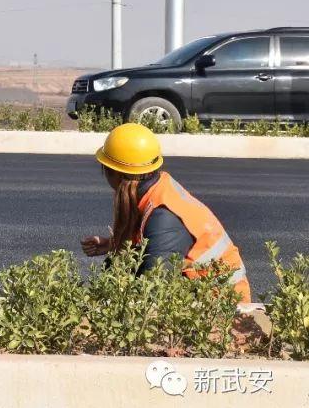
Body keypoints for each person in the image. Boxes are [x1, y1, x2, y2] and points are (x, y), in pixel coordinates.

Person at [80, 123, 250, 303]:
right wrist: (113, 245)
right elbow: (149, 241)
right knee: (117, 264)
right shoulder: (157, 187)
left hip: (224, 310)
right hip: (211, 297)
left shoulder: (164, 218)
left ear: (116, 174)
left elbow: (154, 289)